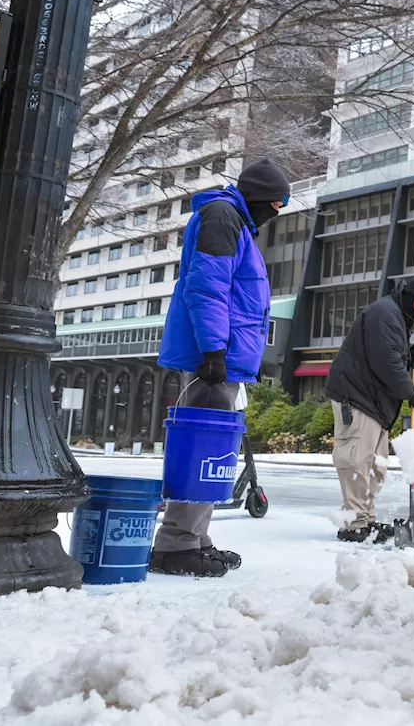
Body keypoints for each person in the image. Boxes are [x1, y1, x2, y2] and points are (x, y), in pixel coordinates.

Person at [150, 157, 291, 577]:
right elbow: (208, 286)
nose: (275, 215)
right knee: (205, 451)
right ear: (264, 199)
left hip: (224, 357)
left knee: (215, 452)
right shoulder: (223, 217)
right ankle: (176, 544)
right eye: (277, 206)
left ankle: (194, 539)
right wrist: (214, 350)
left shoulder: (233, 220)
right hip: (214, 358)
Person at [324, 274, 414, 543]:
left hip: (373, 402)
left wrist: (409, 355)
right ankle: (353, 523)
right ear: (410, 297)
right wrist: (408, 390)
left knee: (376, 466)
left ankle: (366, 519)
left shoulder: (396, 316)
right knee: (355, 461)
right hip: (357, 396)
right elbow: (385, 361)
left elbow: (392, 354)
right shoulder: (384, 314)